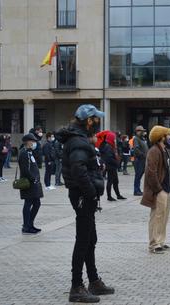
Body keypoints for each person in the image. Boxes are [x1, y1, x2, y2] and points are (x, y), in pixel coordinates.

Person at [57, 104, 114, 303]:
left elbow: (84, 167)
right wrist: (90, 192)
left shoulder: (80, 138)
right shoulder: (78, 140)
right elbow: (78, 169)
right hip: (82, 196)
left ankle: (94, 280)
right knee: (83, 240)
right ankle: (76, 286)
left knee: (91, 239)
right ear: (89, 120)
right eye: (96, 118)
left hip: (85, 196)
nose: (98, 122)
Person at [140, 125, 170, 254]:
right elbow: (150, 173)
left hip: (165, 190)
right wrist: (159, 190)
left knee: (164, 217)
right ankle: (154, 244)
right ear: (161, 137)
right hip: (159, 191)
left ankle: (161, 241)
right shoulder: (154, 151)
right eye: (168, 135)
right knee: (156, 217)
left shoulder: (163, 150)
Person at [18, 133, 43, 235]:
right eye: (32, 141)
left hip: (33, 182)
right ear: (27, 142)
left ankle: (30, 224)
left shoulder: (29, 152)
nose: (34, 143)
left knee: (37, 203)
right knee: (28, 204)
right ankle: (26, 226)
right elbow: (24, 170)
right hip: (28, 183)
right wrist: (33, 179)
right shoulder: (23, 153)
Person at [99, 131, 126, 201]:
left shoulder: (110, 146)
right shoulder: (108, 146)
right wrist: (116, 162)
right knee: (110, 181)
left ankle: (118, 195)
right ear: (110, 139)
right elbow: (109, 158)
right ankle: (109, 196)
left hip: (112, 166)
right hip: (110, 167)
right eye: (114, 139)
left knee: (115, 181)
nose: (115, 140)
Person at [133, 125, 148, 196]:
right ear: (137, 132)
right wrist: (143, 155)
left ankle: (138, 189)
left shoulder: (142, 139)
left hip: (143, 160)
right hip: (139, 160)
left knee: (139, 175)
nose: (143, 132)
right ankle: (136, 190)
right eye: (141, 131)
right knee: (138, 176)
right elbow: (136, 149)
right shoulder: (136, 139)